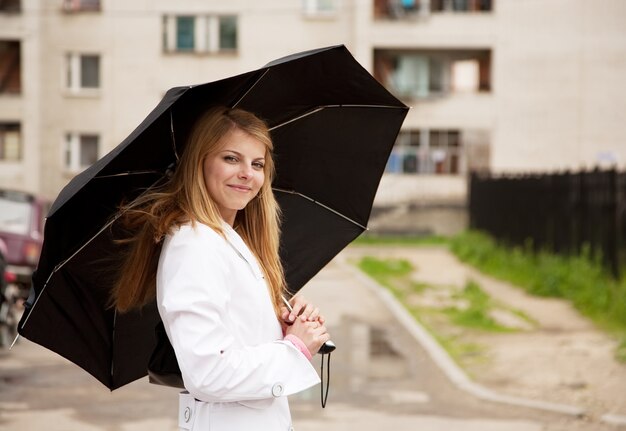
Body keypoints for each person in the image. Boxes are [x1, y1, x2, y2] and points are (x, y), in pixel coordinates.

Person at [110, 106, 330, 430]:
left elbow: (235, 338)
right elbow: (208, 372)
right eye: (231, 158)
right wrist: (293, 349)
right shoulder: (194, 244)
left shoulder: (226, 240)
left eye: (257, 164)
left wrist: (281, 327)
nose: (247, 173)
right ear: (201, 162)